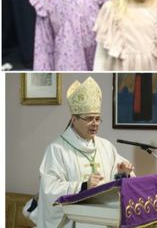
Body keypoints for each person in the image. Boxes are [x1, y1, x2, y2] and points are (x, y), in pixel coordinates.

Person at [30, 77, 135, 228]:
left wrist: (123, 174)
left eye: (98, 119)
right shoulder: (57, 149)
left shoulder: (106, 147)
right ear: (74, 119)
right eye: (90, 119)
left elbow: (114, 186)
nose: (95, 124)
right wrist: (83, 186)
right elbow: (49, 189)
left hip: (104, 221)